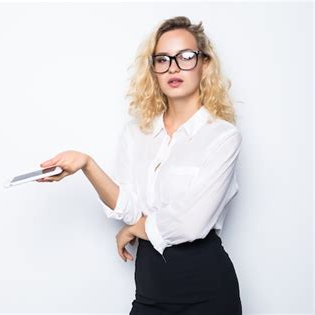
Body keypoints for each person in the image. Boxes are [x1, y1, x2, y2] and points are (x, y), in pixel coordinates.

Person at [36, 16, 242, 314]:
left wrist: (134, 230)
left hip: (206, 290)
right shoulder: (137, 134)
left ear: (204, 64)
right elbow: (130, 206)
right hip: (149, 289)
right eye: (162, 59)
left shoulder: (222, 137)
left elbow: (190, 223)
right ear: (154, 70)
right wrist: (87, 165)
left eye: (185, 57)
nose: (173, 67)